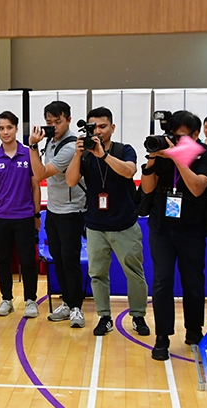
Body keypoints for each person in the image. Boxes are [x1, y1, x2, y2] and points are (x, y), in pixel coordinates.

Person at [65, 106, 151, 337]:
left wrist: (103, 155)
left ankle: (138, 316)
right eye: (94, 127)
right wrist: (77, 154)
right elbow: (71, 181)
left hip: (125, 224)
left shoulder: (124, 149)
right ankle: (104, 316)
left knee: (134, 272)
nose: (98, 131)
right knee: (98, 274)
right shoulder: (84, 154)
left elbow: (129, 171)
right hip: (95, 225)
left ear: (112, 127)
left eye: (103, 126)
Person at [139, 110, 207, 359]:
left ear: (196, 135)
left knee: (193, 281)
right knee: (162, 281)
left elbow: (197, 188)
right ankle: (162, 336)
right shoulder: (164, 151)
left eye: (182, 137)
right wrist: (153, 160)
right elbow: (148, 189)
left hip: (191, 226)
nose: (175, 141)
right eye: (172, 135)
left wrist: (178, 159)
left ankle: (194, 330)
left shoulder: (206, 154)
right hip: (161, 226)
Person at [28, 100, 87, 328]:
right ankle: (67, 302)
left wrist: (33, 147)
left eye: (58, 122)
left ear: (69, 120)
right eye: (49, 122)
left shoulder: (71, 147)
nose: (53, 126)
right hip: (53, 210)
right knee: (58, 259)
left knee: (70, 260)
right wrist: (38, 145)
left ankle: (76, 308)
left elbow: (40, 173)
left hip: (72, 211)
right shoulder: (51, 142)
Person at [0, 111, 40, 319]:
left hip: (24, 217)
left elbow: (36, 187)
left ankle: (30, 300)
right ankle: (6, 299)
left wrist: (36, 215)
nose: (5, 132)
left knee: (27, 260)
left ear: (16, 128)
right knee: (3, 260)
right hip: (0, 218)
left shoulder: (29, 154)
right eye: (1, 128)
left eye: (9, 127)